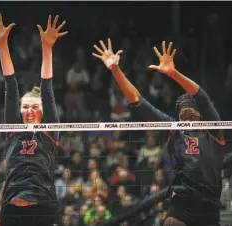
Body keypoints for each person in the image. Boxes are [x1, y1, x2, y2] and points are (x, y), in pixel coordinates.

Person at [92, 39, 225, 226]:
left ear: (201, 114)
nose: (186, 118)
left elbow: (201, 96)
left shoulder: (214, 129)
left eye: (191, 113)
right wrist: (115, 70)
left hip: (209, 205)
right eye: (183, 114)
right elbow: (139, 101)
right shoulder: (174, 129)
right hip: (182, 201)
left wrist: (174, 73)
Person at [0, 10, 67, 226]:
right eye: (25, 107)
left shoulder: (50, 130)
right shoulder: (13, 129)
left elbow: (47, 89)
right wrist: (2, 43)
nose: (29, 111)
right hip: (12, 205)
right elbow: (10, 87)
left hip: (43, 205)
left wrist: (47, 48)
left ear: (43, 111)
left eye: (34, 107)